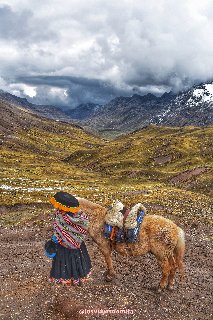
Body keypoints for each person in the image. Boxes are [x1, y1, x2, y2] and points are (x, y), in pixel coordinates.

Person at [46, 191, 92, 286]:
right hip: (78, 245)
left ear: (64, 206)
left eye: (59, 206)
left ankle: (66, 278)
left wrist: (58, 237)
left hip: (63, 245)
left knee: (65, 261)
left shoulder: (62, 217)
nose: (57, 207)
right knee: (76, 261)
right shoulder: (80, 216)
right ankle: (77, 277)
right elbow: (82, 229)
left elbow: (62, 230)